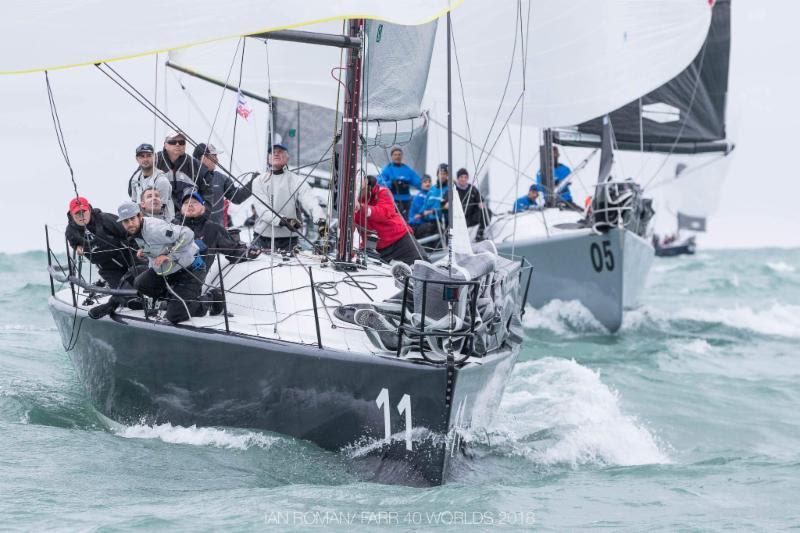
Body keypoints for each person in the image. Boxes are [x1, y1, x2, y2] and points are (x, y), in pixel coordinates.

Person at [117, 202, 218, 324]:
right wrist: (146, 252)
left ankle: (211, 298)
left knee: (175, 315)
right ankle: (172, 300)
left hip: (190, 270)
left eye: (132, 219)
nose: (130, 224)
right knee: (140, 283)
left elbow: (187, 234)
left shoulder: (154, 229)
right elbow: (158, 246)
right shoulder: (136, 231)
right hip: (169, 271)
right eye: (125, 221)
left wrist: (170, 255)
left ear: (139, 216)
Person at [65, 197, 143, 319]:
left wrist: (139, 254)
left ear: (89, 210)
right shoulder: (70, 231)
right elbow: (73, 243)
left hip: (129, 259)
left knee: (140, 283)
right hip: (108, 269)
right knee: (129, 299)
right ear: (71, 215)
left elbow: (130, 232)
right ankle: (123, 301)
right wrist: (77, 247)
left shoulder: (105, 219)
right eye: (77, 213)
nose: (81, 216)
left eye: (84, 211)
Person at [249, 143, 326, 251]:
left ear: (287, 158)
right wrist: (284, 221)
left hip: (289, 241)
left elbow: (310, 201)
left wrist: (321, 220)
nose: (276, 154)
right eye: (273, 152)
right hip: (261, 239)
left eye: (280, 152)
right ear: (268, 158)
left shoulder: (297, 180)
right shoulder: (258, 181)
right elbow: (262, 209)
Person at [177, 188, 257, 271]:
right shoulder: (172, 226)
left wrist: (249, 252)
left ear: (203, 208)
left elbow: (233, 252)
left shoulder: (213, 228)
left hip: (193, 278)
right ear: (181, 208)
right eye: (186, 203)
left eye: (195, 202)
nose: (190, 205)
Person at [354, 175, 427, 265]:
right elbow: (347, 226)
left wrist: (361, 208)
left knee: (423, 266)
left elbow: (383, 213)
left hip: (400, 240)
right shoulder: (352, 203)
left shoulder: (383, 192)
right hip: (374, 247)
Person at [192, 143, 253, 227]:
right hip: (193, 233)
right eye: (214, 156)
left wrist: (254, 182)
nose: (217, 160)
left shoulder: (221, 178)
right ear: (204, 158)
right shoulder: (187, 177)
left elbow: (237, 198)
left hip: (216, 233)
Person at [156, 131, 211, 207]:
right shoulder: (154, 161)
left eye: (181, 142)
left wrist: (204, 212)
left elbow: (208, 192)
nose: (178, 144)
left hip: (187, 214)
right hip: (159, 213)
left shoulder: (196, 165)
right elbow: (137, 183)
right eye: (172, 142)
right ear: (165, 145)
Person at [128, 143, 174, 221]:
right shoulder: (135, 179)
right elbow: (134, 203)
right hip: (143, 222)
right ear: (137, 159)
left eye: (149, 155)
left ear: (155, 157)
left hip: (163, 223)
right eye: (142, 156)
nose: (145, 159)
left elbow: (158, 209)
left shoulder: (162, 181)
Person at [377, 146, 422, 217]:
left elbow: (418, 182)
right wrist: (391, 183)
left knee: (406, 221)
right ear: (391, 156)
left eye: (399, 155)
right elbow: (379, 182)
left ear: (402, 156)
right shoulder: (387, 169)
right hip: (393, 201)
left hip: (406, 201)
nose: (397, 157)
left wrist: (429, 190)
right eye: (395, 155)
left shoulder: (407, 170)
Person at [454, 168, 490, 240]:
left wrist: (481, 203)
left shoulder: (472, 189)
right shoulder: (454, 190)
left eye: (465, 177)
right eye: (461, 177)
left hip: (472, 217)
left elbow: (480, 199)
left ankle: (480, 233)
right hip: (460, 218)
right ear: (458, 178)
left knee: (488, 212)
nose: (463, 179)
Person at [407, 174, 438, 240]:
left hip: (424, 223)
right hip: (416, 225)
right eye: (425, 182)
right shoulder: (419, 197)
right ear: (421, 184)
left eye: (429, 182)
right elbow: (422, 213)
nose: (428, 184)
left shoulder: (432, 195)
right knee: (434, 227)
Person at [422, 163, 450, 229]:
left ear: (447, 175)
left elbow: (447, 208)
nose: (442, 176)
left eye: (444, 174)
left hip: (442, 222)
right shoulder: (432, 189)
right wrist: (421, 214)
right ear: (437, 175)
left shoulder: (449, 189)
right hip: (429, 222)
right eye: (440, 173)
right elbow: (425, 205)